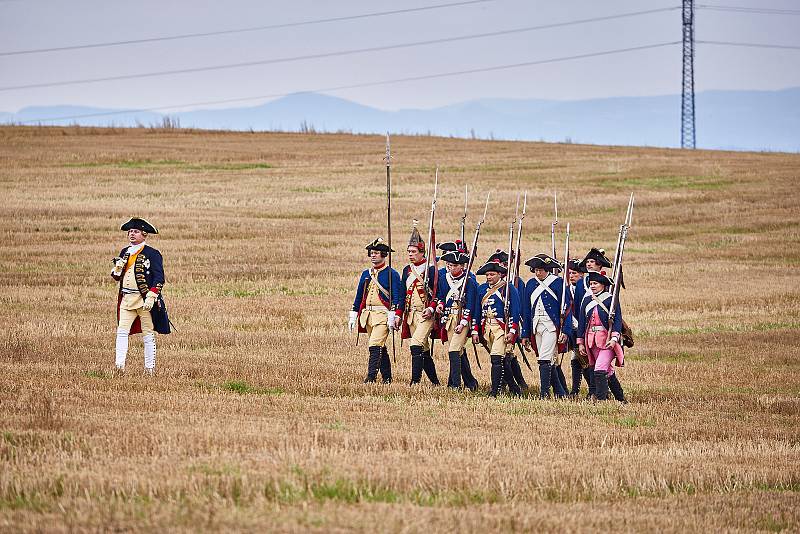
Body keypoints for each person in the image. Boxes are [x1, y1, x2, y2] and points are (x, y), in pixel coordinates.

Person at [111, 217, 170, 375]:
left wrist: (152, 295)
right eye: (130, 231)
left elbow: (159, 278)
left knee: (148, 334)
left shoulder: (153, 254)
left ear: (144, 234)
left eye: (135, 231)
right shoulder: (124, 252)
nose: (131, 234)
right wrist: (117, 269)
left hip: (144, 301)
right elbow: (117, 276)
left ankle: (149, 369)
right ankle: (119, 367)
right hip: (126, 299)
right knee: (122, 332)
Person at [349, 238, 402, 384]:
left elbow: (397, 296)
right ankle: (387, 377)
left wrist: (394, 314)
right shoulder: (366, 273)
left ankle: (370, 378)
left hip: (384, 315)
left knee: (374, 345)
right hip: (368, 316)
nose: (373, 255)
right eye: (372, 253)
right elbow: (360, 295)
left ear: (384, 254)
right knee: (380, 347)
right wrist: (354, 313)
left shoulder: (392, 274)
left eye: (377, 253)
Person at [521, 254, 571, 399]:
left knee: (544, 359)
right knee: (549, 360)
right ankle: (560, 393)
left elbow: (567, 309)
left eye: (541, 270)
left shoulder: (558, 283)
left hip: (551, 327)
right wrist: (525, 333)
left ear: (547, 269)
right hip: (536, 326)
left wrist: (566, 331)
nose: (538, 273)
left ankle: (544, 393)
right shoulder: (530, 284)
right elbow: (526, 310)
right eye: (536, 270)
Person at [473, 256, 521, 397]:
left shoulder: (508, 288)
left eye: (492, 274)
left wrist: (512, 331)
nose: (489, 277)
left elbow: (515, 311)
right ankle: (513, 387)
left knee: (496, 358)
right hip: (487, 328)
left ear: (500, 274)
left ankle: (495, 391)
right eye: (487, 275)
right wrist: (475, 330)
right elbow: (477, 311)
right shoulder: (482, 289)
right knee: (502, 360)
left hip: (502, 328)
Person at [575, 272, 627, 402]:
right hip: (591, 341)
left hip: (607, 340)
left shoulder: (611, 299)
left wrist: (614, 338)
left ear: (603, 285)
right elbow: (582, 323)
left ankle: (601, 400)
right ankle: (621, 399)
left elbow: (617, 320)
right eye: (591, 283)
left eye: (595, 283)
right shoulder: (587, 300)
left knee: (599, 369)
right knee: (607, 371)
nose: (592, 286)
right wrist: (580, 342)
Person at [399, 223, 440, 385]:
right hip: (411, 315)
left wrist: (431, 308)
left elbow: (438, 293)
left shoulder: (431, 269)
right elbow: (402, 295)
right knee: (423, 350)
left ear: (422, 252)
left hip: (426, 314)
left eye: (414, 251)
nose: (410, 254)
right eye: (409, 251)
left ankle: (415, 381)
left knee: (416, 345)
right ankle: (435, 382)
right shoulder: (406, 270)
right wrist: (397, 315)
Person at [436, 241, 479, 390]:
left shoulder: (469, 282)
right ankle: (471, 382)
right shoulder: (443, 279)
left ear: (462, 266)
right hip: (449, 319)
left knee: (453, 350)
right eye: (450, 265)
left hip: (463, 320)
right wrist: (440, 306)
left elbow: (472, 305)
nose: (451, 267)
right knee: (458, 351)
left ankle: (455, 385)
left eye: (455, 265)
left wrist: (463, 323)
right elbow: (440, 297)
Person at [566, 259, 593, 397]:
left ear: (582, 274)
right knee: (576, 361)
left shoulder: (586, 288)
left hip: (583, 328)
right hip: (572, 329)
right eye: (570, 273)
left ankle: (593, 390)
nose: (571, 276)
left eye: (574, 273)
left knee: (583, 361)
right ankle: (575, 391)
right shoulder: (567, 289)